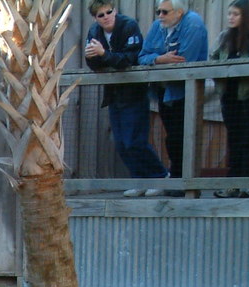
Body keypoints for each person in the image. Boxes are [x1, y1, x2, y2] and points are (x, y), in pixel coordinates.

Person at [84, 2, 168, 195]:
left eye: (109, 12)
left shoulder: (129, 25)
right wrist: (92, 56)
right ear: (95, 18)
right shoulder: (95, 31)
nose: (106, 16)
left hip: (134, 92)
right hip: (114, 94)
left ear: (115, 10)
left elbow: (129, 60)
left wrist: (104, 54)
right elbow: (94, 64)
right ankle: (140, 181)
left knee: (134, 141)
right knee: (121, 142)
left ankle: (160, 177)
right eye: (100, 15)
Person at [139, 0, 210, 195]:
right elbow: (143, 56)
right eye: (158, 11)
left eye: (165, 12)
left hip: (187, 91)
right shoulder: (158, 26)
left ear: (179, 13)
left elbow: (185, 59)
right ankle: (175, 180)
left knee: (185, 136)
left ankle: (187, 185)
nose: (159, 15)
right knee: (172, 138)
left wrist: (156, 60)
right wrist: (160, 59)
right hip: (164, 91)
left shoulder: (193, 23)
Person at [212, 2, 249, 196]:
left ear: (245, 16)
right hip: (229, 95)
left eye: (235, 14)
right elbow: (212, 58)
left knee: (248, 140)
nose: (231, 17)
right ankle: (232, 184)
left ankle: (244, 183)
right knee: (234, 139)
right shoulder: (225, 36)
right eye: (229, 14)